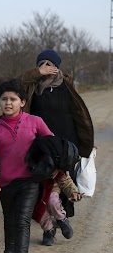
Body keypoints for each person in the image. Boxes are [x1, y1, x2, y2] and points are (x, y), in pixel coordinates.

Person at [0, 79, 53, 253]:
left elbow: (52, 144)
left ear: (22, 102)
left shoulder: (35, 122)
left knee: (22, 220)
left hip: (29, 181)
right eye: (4, 99)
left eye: (13, 99)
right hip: (5, 183)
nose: (8, 103)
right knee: (10, 220)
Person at [21, 49, 94, 219]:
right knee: (45, 180)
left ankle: (63, 217)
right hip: (42, 142)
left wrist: (86, 141)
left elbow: (80, 115)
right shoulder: (32, 86)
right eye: (42, 64)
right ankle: (48, 223)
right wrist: (37, 73)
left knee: (65, 179)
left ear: (57, 67)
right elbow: (15, 83)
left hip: (67, 142)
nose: (46, 68)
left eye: (49, 64)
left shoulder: (66, 85)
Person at [34, 170, 81, 246]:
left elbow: (64, 180)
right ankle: (49, 231)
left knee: (52, 201)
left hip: (51, 186)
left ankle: (62, 219)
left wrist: (73, 192)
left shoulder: (55, 162)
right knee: (41, 213)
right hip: (32, 190)